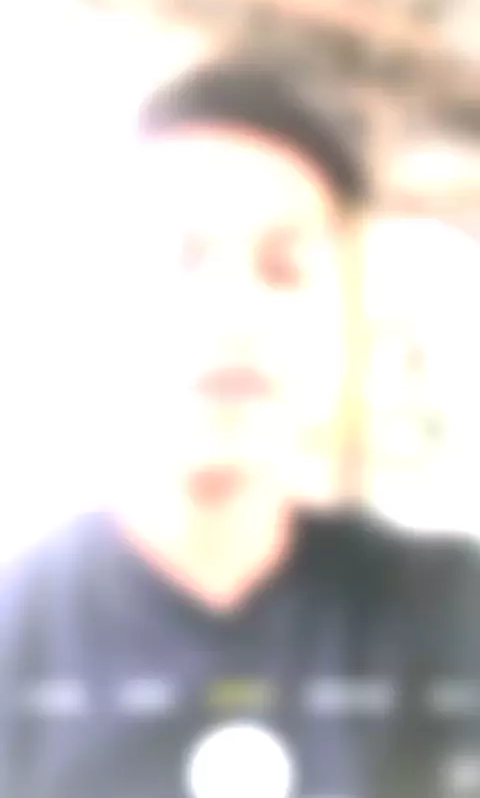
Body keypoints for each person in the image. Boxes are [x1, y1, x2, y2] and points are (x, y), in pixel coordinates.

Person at [1, 56, 479, 798]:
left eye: (284, 271)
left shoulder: (447, 610)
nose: (235, 312)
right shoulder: (18, 635)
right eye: (180, 257)